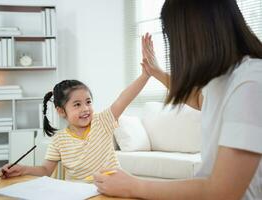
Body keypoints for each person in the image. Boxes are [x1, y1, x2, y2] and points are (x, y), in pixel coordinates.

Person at [94, 0, 262, 199]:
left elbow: (221, 191)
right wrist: (156, 72)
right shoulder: (222, 79)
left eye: (174, 38)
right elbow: (200, 100)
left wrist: (134, 186)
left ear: (196, 33)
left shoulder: (251, 82)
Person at [0, 65, 150, 181]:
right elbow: (45, 170)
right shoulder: (59, 140)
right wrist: (22, 169)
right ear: (61, 111)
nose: (85, 109)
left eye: (88, 102)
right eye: (77, 104)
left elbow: (123, 99)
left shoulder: (102, 121)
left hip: (113, 186)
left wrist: (145, 75)